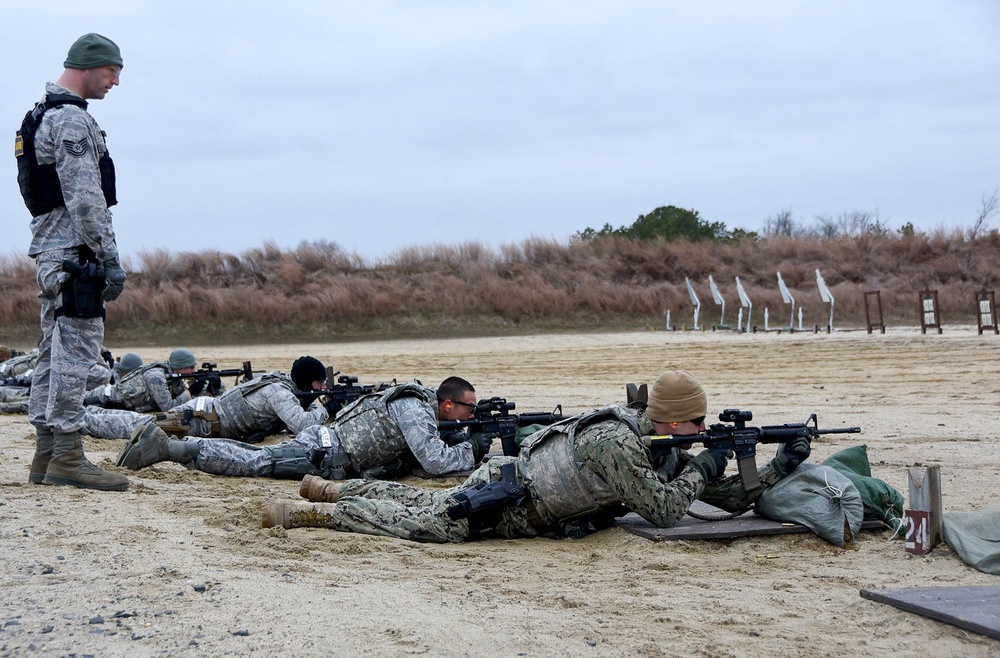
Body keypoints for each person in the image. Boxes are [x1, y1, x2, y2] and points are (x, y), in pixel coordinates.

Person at [261, 369, 812, 543]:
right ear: (671, 419)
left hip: (513, 480)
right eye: (698, 423)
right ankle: (318, 512)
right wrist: (703, 463)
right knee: (435, 525)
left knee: (426, 503)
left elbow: (726, 498)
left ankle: (332, 489)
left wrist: (781, 463)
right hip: (512, 500)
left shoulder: (654, 442)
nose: (703, 431)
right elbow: (668, 510)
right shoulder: (620, 443)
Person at [17, 34, 128, 491]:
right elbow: (86, 199)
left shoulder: (39, 116)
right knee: (77, 354)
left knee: (52, 351)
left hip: (49, 250)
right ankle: (66, 454)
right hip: (74, 253)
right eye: (110, 71)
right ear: (86, 67)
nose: (116, 81)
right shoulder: (70, 121)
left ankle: (45, 455)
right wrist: (110, 257)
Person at [116, 376, 490, 480]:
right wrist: (470, 448)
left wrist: (462, 438)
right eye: (468, 409)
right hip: (325, 455)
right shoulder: (414, 407)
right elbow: (435, 460)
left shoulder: (417, 403)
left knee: (260, 457)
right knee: (259, 461)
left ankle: (167, 443)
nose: (471, 415)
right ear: (447, 404)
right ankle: (168, 449)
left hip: (327, 445)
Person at [84, 355, 331, 442]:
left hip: (205, 414)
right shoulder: (280, 393)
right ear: (307, 380)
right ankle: (84, 419)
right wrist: (327, 409)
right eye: (320, 383)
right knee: (139, 426)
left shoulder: (281, 385)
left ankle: (88, 415)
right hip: (198, 420)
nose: (323, 387)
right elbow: (301, 425)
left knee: (141, 422)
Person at [84, 348, 201, 412]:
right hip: (102, 398)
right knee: (73, 404)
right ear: (180, 366)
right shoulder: (156, 377)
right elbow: (169, 408)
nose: (194, 371)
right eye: (191, 367)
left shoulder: (173, 378)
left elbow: (182, 398)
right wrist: (190, 391)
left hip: (115, 403)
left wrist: (203, 388)